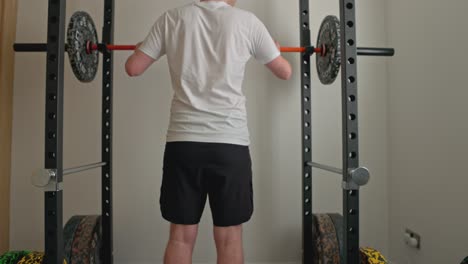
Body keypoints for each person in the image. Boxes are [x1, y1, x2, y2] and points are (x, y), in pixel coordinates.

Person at [125, 0, 292, 263]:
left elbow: (133, 68)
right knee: (230, 238)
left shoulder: (172, 18)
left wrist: (140, 50)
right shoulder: (247, 22)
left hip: (184, 145)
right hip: (230, 145)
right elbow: (285, 72)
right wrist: (274, 51)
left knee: (180, 236)